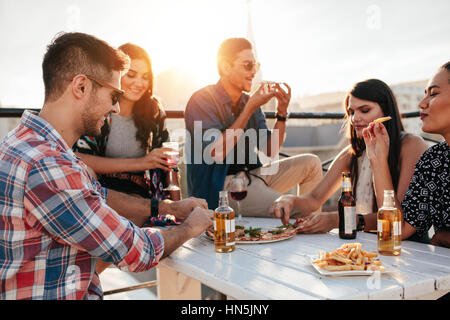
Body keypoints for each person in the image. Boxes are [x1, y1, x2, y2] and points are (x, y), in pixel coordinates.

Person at [0, 32, 212, 300]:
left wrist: (171, 207)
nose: (115, 109)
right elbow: (138, 252)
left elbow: (96, 196)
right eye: (114, 96)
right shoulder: (47, 166)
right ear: (81, 87)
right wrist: (189, 228)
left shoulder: (27, 144)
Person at [270, 79, 429, 235]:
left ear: (386, 112)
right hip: (362, 245)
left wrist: (341, 220)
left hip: (405, 247)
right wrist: (289, 200)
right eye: (351, 112)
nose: (355, 118)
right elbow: (314, 199)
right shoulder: (352, 153)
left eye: (364, 110)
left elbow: (399, 221)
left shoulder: (410, 145)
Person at [184, 37, 323, 216]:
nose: (253, 72)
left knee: (311, 163)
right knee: (294, 208)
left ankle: (309, 226)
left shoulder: (248, 102)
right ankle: (308, 224)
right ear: (226, 67)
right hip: (221, 188)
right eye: (247, 65)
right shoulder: (202, 100)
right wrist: (250, 108)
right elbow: (216, 152)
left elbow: (270, 152)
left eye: (255, 66)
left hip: (252, 176)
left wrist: (281, 114)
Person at [74, 43, 181, 202]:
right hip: (99, 187)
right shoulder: (97, 108)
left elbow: (169, 164)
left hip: (137, 191)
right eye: (131, 75)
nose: (139, 83)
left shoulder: (154, 112)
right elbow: (79, 158)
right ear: (115, 74)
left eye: (145, 77)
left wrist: (179, 208)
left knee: (136, 207)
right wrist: (141, 163)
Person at [400, 62, 450, 248]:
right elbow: (402, 230)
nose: (422, 104)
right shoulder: (434, 159)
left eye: (434, 93)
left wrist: (443, 238)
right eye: (425, 94)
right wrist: (378, 158)